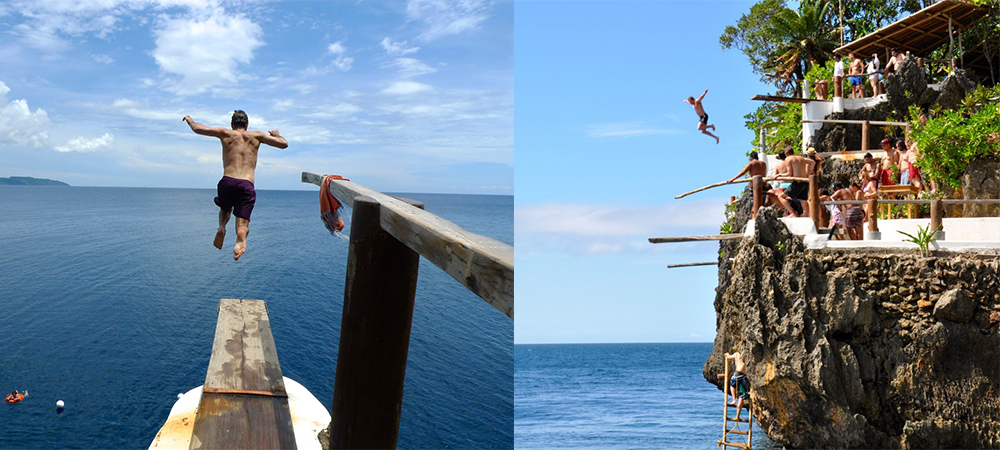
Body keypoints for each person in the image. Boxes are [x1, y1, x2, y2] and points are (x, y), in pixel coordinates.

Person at [183, 110, 288, 261]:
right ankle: (241, 236)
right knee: (242, 221)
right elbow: (284, 144)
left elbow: (198, 128)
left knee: (225, 208)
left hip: (227, 181)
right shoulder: (257, 135)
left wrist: (190, 120)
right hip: (246, 183)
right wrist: (276, 135)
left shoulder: (224, 133)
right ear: (247, 124)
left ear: (232, 124)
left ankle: (221, 227)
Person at [726, 348, 750, 421]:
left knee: (732, 384)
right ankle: (737, 416)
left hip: (738, 374)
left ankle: (733, 400)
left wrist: (727, 354)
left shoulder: (737, 354)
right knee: (741, 396)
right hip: (744, 377)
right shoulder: (748, 356)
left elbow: (728, 357)